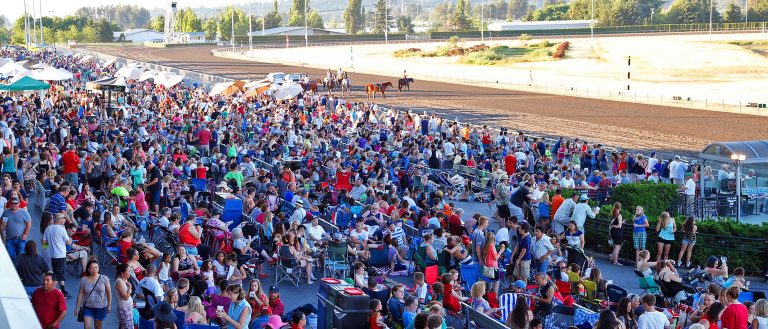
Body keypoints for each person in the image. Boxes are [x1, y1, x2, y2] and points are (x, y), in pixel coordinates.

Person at [42, 213, 73, 298]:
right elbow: (68, 242)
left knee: (59, 274)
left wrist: (50, 247)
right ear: (59, 219)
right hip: (60, 256)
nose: (65, 219)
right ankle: (48, 293)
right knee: (56, 276)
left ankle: (63, 291)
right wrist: (70, 237)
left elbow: (44, 242)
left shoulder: (48, 228)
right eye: (64, 218)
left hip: (52, 255)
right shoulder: (62, 229)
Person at [75, 260, 112, 329]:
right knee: (87, 327)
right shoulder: (83, 280)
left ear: (98, 268)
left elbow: (109, 292)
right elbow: (80, 294)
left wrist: (109, 305)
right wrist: (77, 307)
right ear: (88, 269)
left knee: (98, 327)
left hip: (100, 308)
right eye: (92, 268)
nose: (94, 269)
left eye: (96, 267)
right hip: (88, 308)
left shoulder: (104, 278)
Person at [1, 195, 32, 260]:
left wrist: (25, 234)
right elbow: (2, 223)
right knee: (11, 256)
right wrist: (2, 229)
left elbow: (28, 223)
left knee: (21, 256)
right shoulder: (6, 212)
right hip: (9, 238)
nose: (14, 205)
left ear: (19, 203)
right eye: (12, 203)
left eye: (16, 203)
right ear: (10, 204)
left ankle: (19, 269)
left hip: (20, 238)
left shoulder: (24, 212)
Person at [114, 263, 134, 329]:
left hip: (127, 308)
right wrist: (130, 287)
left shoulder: (124, 280)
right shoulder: (119, 282)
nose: (129, 273)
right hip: (124, 309)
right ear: (122, 273)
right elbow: (125, 297)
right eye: (128, 271)